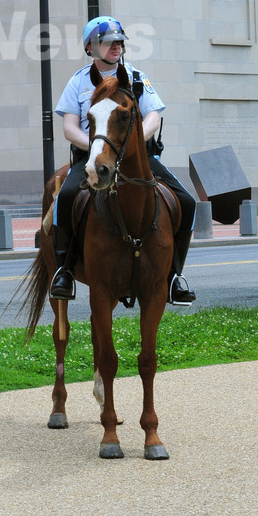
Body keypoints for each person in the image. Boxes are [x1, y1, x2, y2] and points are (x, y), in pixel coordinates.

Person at [50, 16, 197, 306]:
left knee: (187, 201)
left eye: (119, 41)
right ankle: (64, 270)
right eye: (109, 42)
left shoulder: (137, 78)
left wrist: (131, 144)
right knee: (65, 199)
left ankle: (173, 275)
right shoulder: (78, 81)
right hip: (93, 157)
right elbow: (69, 127)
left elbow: (154, 115)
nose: (116, 46)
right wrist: (98, 147)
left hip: (137, 155)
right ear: (91, 47)